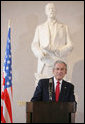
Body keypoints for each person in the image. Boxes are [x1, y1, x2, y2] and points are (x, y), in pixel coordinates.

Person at [31, 3, 73, 82]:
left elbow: (70, 45)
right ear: (46, 11)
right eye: (49, 9)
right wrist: (39, 53)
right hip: (45, 63)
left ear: (56, 11)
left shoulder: (64, 27)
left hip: (59, 62)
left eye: (53, 9)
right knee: (43, 90)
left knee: (60, 90)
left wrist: (59, 51)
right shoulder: (40, 28)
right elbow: (34, 44)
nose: (51, 10)